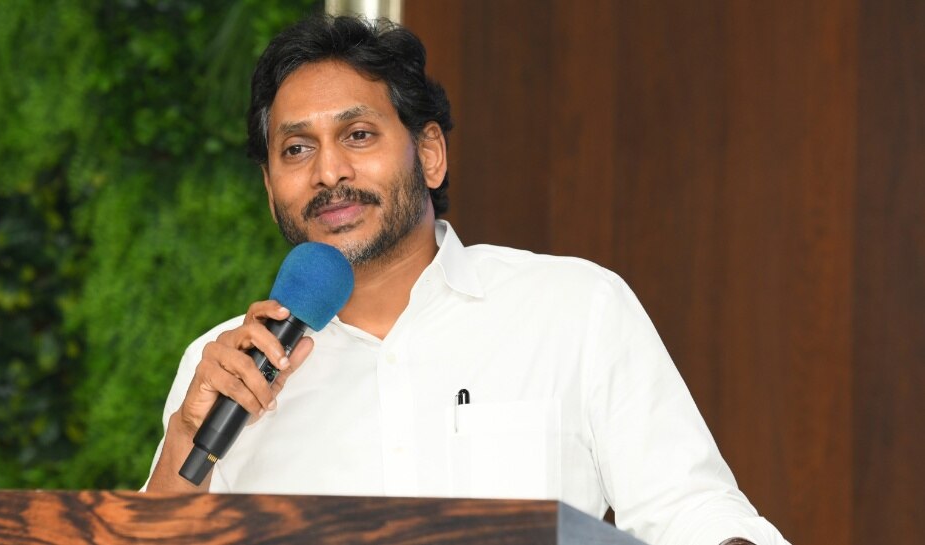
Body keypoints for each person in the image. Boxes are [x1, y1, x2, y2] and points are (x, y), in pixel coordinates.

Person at [145, 15, 789, 545]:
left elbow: (691, 509)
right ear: (269, 189)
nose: (328, 171)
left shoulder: (574, 309)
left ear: (429, 154)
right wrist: (186, 444)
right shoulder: (224, 370)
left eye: (358, 134)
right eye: (296, 149)